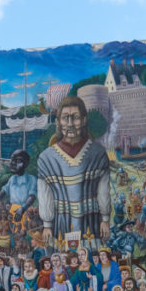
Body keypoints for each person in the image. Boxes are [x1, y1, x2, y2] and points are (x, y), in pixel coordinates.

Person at [36, 95, 111, 248]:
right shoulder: (46, 159)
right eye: (65, 118)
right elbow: (45, 196)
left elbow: (103, 191)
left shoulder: (97, 153)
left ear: (84, 120)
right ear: (58, 122)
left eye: (75, 117)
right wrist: (47, 225)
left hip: (91, 222)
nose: (70, 124)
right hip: (60, 225)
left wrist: (105, 219)